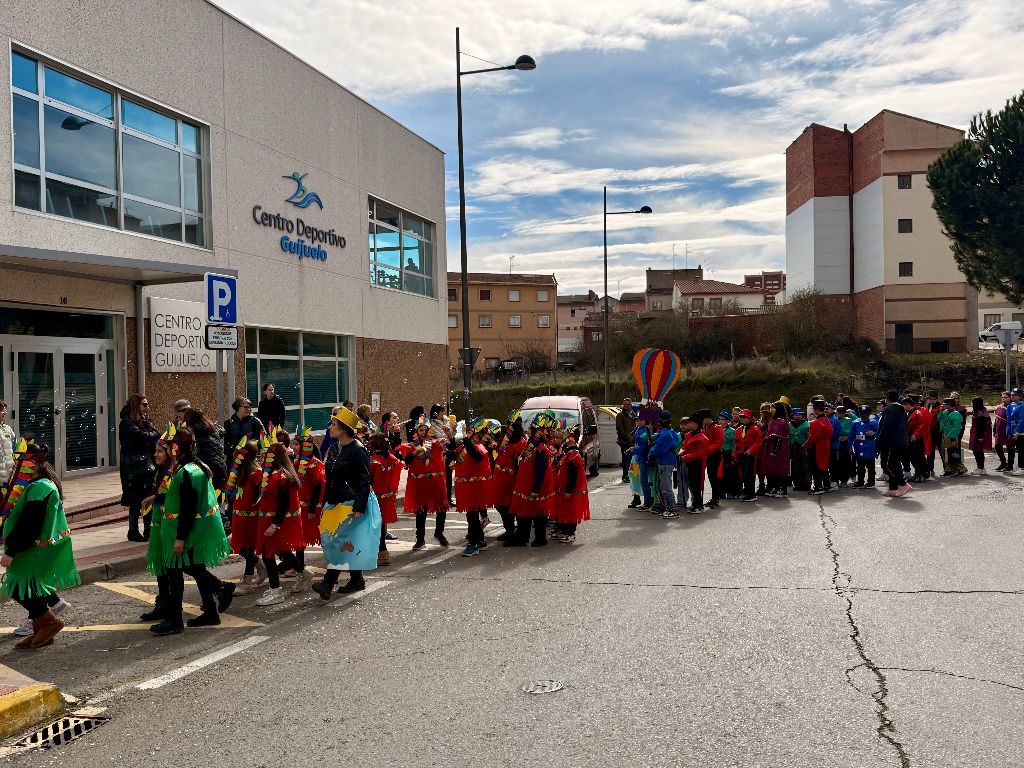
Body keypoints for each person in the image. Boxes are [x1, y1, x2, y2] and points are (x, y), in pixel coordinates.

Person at [146, 427, 233, 634]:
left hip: (179, 531)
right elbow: (181, 497)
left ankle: (175, 620)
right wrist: (158, 497)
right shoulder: (197, 467)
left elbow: (187, 508)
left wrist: (180, 538)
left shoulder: (185, 472)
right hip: (193, 530)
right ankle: (211, 612)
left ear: (176, 448)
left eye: (170, 447)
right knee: (197, 569)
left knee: (175, 575)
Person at [2, 443, 79, 648]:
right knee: (30, 588)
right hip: (35, 548)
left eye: (21, 463)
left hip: (33, 549)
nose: (16, 466)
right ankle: (41, 629)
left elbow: (29, 525)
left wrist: (11, 551)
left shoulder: (40, 488)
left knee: (19, 587)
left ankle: (49, 622)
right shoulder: (38, 484)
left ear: (34, 465)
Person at [313, 407, 380, 598]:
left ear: (343, 428)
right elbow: (330, 479)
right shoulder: (334, 448)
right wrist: (325, 502)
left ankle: (328, 582)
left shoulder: (357, 450)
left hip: (350, 502)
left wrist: (359, 507)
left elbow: (364, 480)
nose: (330, 427)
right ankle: (357, 579)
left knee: (339, 541)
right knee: (341, 541)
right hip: (334, 501)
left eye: (333, 424)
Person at [252, 442, 305, 606]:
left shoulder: (282, 477)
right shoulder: (271, 474)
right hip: (266, 519)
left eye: (266, 454)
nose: (263, 458)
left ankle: (276, 591)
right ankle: (303, 572)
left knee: (268, 554)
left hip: (272, 521)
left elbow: (284, 504)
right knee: (280, 551)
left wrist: (275, 525)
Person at [402, 415, 449, 550]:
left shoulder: (436, 443)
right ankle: (420, 539)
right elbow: (407, 461)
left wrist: (448, 435)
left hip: (436, 481)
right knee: (421, 511)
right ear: (417, 431)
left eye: (425, 430)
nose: (423, 432)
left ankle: (439, 533)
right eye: (421, 430)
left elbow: (447, 445)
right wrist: (416, 452)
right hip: (420, 483)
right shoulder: (411, 446)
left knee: (441, 508)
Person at [225, 439, 265, 594]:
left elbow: (261, 498)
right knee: (240, 548)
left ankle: (247, 582)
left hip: (251, 519)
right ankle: (260, 565)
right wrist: (230, 517)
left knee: (248, 549)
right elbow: (232, 497)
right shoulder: (237, 472)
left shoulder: (257, 473)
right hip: (238, 517)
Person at [508, 414, 555, 546]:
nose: (527, 431)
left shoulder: (541, 450)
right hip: (525, 485)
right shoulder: (531, 446)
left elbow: (541, 471)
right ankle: (523, 537)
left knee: (537, 514)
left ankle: (540, 539)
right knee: (526, 513)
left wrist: (536, 489)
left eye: (530, 429)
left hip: (534, 487)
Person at [119, 393, 159, 542]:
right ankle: (133, 531)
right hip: (133, 467)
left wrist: (150, 429)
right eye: (144, 404)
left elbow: (153, 434)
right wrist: (152, 433)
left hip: (145, 465)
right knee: (135, 500)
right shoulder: (126, 423)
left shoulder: (142, 422)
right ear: (136, 405)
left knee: (147, 497)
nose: (147, 407)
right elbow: (145, 437)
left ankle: (148, 529)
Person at [454, 417, 494, 557]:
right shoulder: (467, 445)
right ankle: (480, 540)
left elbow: (475, 456)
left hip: (475, 486)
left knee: (472, 515)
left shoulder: (478, 446)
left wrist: (465, 437)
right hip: (469, 486)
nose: (467, 433)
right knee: (472, 514)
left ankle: (473, 543)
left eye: (470, 431)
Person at [552, 423, 589, 542]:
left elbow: (573, 474)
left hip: (570, 489)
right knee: (564, 510)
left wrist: (568, 489)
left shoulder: (574, 454)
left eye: (566, 435)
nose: (563, 436)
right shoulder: (568, 452)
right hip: (563, 487)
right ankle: (563, 531)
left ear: (571, 438)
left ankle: (570, 533)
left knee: (571, 511)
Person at [367, 433, 401, 565]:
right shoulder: (393, 459)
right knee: (381, 524)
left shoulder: (373, 460)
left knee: (374, 526)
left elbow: (368, 478)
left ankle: (380, 551)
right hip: (388, 497)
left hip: (375, 497)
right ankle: (383, 553)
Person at [493, 413, 526, 541]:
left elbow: (520, 464)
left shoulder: (520, 443)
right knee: (501, 506)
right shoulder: (506, 441)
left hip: (510, 479)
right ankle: (509, 529)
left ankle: (513, 531)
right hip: (500, 477)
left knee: (509, 506)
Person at [181, 407, 227, 492]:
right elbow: (222, 431)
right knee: (217, 494)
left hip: (207, 465)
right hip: (221, 464)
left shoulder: (193, 430)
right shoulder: (210, 426)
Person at [876, 390, 911, 497]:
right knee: (893, 463)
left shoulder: (890, 409)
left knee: (888, 464)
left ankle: (903, 484)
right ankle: (893, 487)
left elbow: (886, 427)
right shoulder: (900, 409)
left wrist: (879, 441)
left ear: (887, 399)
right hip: (900, 441)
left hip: (891, 442)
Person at [679, 414, 711, 514]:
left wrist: (686, 456)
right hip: (689, 461)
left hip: (697, 462)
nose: (688, 424)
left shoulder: (702, 437)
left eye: (690, 423)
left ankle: (698, 505)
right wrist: (680, 453)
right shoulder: (688, 435)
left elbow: (701, 453)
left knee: (696, 484)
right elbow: (684, 447)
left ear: (696, 424)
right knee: (692, 483)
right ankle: (696, 503)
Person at [649, 411, 680, 516]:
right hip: (670, 460)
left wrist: (652, 447)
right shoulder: (672, 432)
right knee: (666, 486)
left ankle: (672, 509)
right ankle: (668, 508)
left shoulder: (663, 434)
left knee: (665, 487)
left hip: (664, 461)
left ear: (660, 421)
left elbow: (657, 449)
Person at [760, 402, 791, 497]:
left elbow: (779, 437)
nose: (771, 410)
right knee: (772, 469)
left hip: (779, 449)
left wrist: (775, 450)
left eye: (773, 408)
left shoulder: (780, 422)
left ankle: (781, 489)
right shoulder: (774, 421)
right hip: (771, 448)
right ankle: (774, 488)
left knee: (780, 469)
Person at [804, 401, 833, 495]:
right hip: (826, 446)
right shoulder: (826, 420)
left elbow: (812, 437)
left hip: (817, 447)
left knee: (815, 467)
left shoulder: (815, 422)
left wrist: (805, 445)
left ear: (816, 410)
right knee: (824, 466)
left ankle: (818, 487)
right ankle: (827, 485)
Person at [735, 409, 762, 502]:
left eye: (744, 417)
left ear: (750, 418)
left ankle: (751, 494)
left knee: (749, 474)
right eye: (741, 417)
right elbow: (736, 444)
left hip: (750, 455)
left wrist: (751, 450)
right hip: (741, 454)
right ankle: (747, 491)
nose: (742, 418)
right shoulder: (738, 429)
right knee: (743, 474)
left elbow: (758, 443)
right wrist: (735, 455)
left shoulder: (755, 429)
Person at [700, 409, 724, 508]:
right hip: (708, 454)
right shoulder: (705, 427)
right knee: (711, 476)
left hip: (714, 454)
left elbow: (719, 442)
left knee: (713, 476)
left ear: (707, 418)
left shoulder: (717, 427)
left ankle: (716, 498)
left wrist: (707, 450)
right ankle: (714, 497)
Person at [631, 411, 655, 510]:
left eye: (641, 420)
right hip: (640, 457)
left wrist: (633, 449)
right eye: (637, 420)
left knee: (644, 481)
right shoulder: (639, 429)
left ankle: (648, 502)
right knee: (642, 480)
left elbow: (644, 447)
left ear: (646, 421)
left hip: (645, 458)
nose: (639, 422)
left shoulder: (645, 430)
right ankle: (648, 501)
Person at [850, 405, 878, 487]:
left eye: (866, 415)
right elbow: (851, 435)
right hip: (859, 447)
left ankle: (871, 482)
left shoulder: (873, 422)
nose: (864, 417)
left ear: (869, 414)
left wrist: (873, 433)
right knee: (860, 467)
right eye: (862, 415)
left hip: (869, 448)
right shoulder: (855, 422)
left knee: (870, 467)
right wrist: (849, 446)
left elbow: (879, 434)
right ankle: (860, 482)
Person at [905, 396, 931, 483]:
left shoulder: (918, 412)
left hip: (916, 438)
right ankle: (919, 474)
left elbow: (922, 425)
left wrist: (915, 434)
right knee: (914, 457)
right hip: (913, 437)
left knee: (917, 457)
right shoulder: (913, 412)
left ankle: (920, 474)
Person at [968, 397, 992, 475]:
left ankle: (981, 468)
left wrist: (980, 437)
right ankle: (980, 467)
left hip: (978, 435)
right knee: (976, 451)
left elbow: (981, 426)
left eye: (972, 403)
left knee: (978, 451)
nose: (971, 404)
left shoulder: (980, 413)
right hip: (976, 433)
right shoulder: (978, 411)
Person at [789, 408, 810, 492]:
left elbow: (808, 436)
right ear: (792, 416)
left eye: (799, 415)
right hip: (793, 447)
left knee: (803, 466)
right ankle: (796, 484)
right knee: (794, 466)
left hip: (803, 447)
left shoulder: (806, 424)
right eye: (796, 415)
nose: (798, 416)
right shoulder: (789, 424)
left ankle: (805, 484)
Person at [718, 411, 739, 499]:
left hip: (728, 454)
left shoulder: (732, 431)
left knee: (729, 474)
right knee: (719, 474)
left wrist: (733, 457)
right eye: (719, 419)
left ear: (728, 421)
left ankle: (731, 492)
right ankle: (721, 492)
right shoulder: (717, 429)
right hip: (719, 454)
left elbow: (735, 445)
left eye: (723, 419)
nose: (720, 421)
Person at [615, 398, 635, 483]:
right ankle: (625, 476)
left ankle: (631, 475)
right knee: (625, 459)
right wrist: (628, 438)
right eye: (625, 404)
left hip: (632, 440)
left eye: (628, 404)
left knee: (631, 459)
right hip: (624, 441)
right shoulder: (620, 415)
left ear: (631, 405)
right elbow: (619, 428)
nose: (626, 406)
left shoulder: (633, 414)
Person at [1006, 388, 1024, 475]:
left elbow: (1022, 420)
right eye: (1012, 395)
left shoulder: (1022, 406)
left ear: (1020, 396)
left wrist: (1017, 431)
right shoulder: (1010, 405)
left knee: (1021, 450)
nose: (1012, 396)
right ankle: (1014, 466)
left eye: (1015, 395)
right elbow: (1008, 419)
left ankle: (1022, 468)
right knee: (1013, 448)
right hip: (1012, 430)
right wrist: (1008, 431)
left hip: (1021, 431)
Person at [993, 391, 1013, 471]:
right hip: (1000, 430)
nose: (1003, 399)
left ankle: (1010, 465)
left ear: (1010, 398)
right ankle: (1003, 462)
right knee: (997, 446)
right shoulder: (1000, 407)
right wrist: (994, 429)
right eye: (1002, 397)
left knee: (1010, 447)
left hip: (1009, 430)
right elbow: (996, 418)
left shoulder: (1012, 407)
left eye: (1005, 397)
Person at [0, 400, 15, 487]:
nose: (5, 412)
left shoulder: (7, 429)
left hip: (9, 478)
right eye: (2, 410)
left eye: (5, 410)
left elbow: (16, 446)